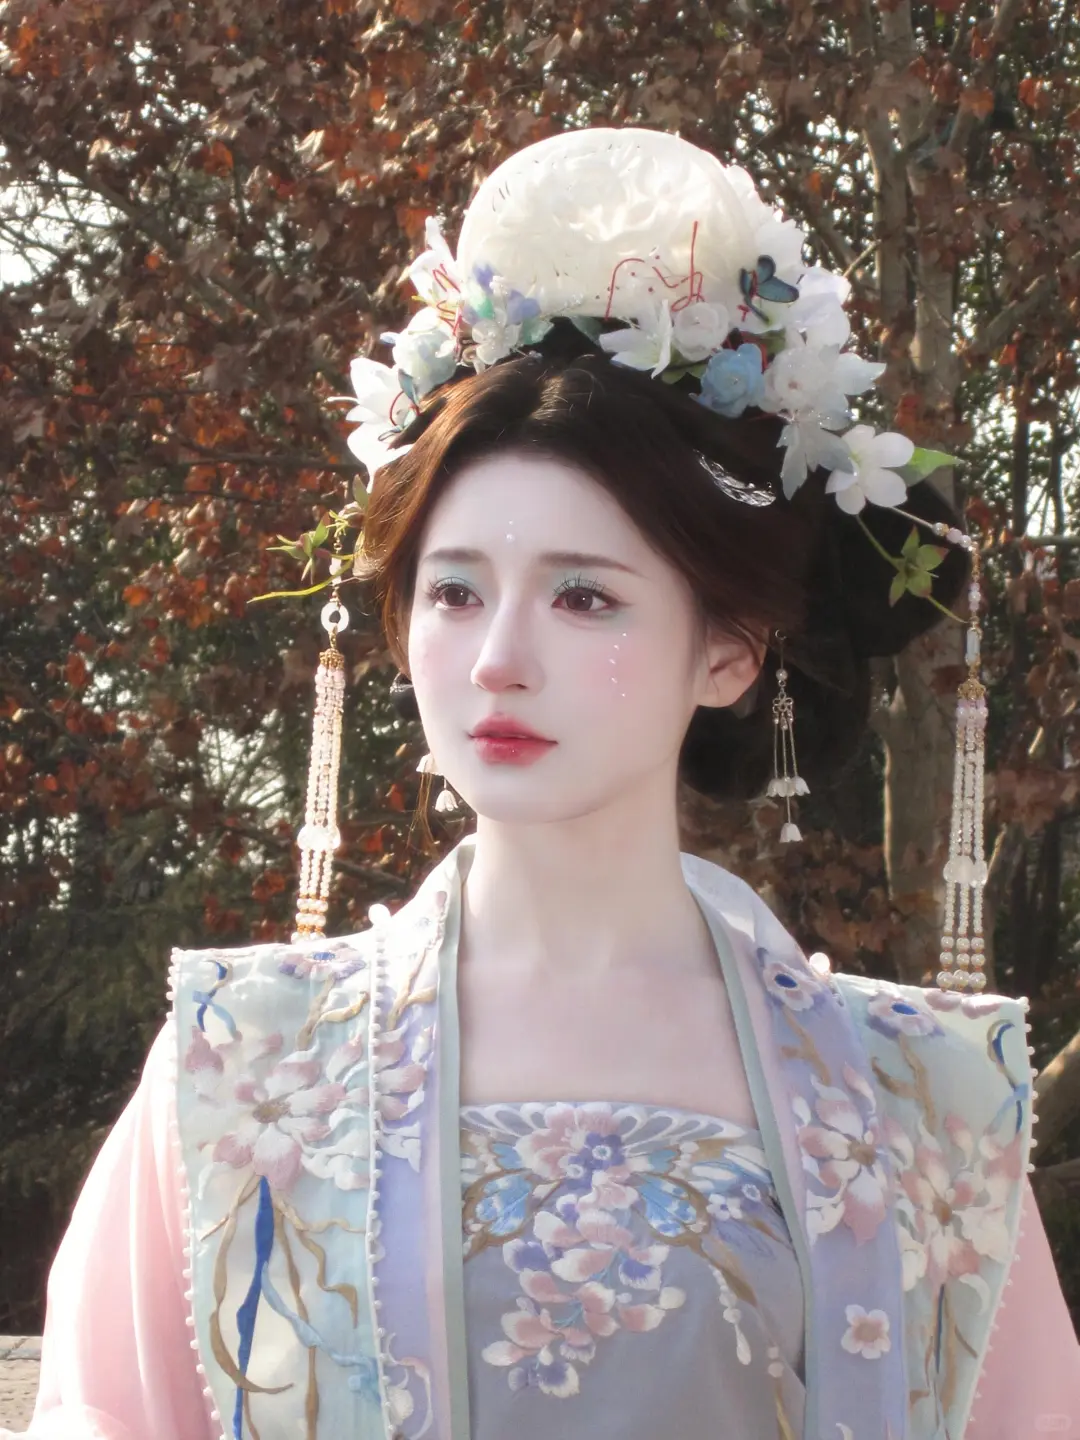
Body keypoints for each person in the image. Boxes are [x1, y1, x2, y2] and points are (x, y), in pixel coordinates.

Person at [8, 127, 1079, 1440]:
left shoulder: (920, 1102)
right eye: (455, 592)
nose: (498, 659)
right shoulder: (246, 1066)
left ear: (730, 650)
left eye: (585, 597)